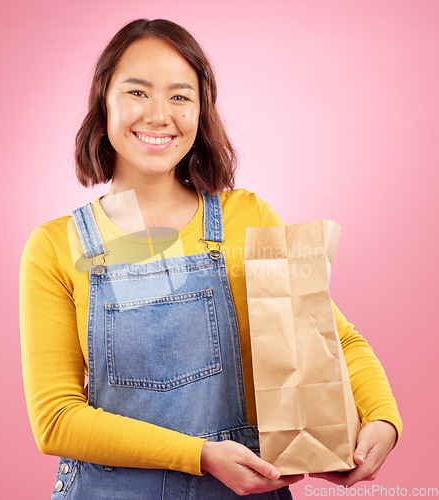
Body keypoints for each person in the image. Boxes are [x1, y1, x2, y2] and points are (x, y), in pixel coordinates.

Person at [20, 19, 402, 499]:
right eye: (138, 92)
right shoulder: (56, 246)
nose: (159, 115)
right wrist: (200, 455)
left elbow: (335, 339)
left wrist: (383, 420)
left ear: (202, 111)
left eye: (180, 96)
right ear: (104, 102)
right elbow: (56, 420)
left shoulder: (249, 219)